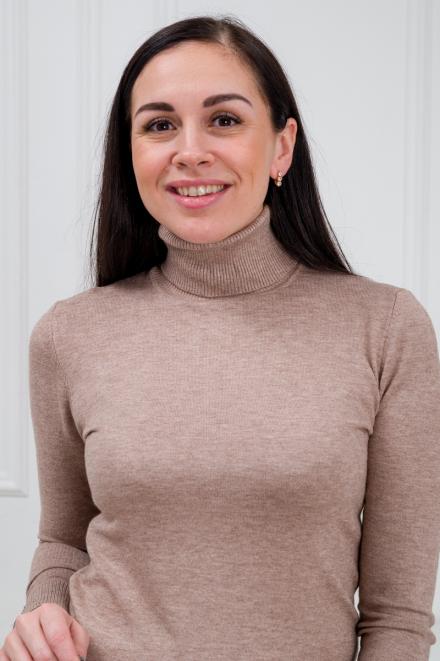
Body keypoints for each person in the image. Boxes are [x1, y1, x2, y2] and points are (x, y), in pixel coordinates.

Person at [2, 13, 440, 661]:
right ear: (131, 153)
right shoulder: (68, 334)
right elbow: (65, 540)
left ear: (282, 147)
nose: (190, 150)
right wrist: (41, 615)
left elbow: (396, 616)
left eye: (225, 119)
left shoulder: (386, 327)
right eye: (159, 125)